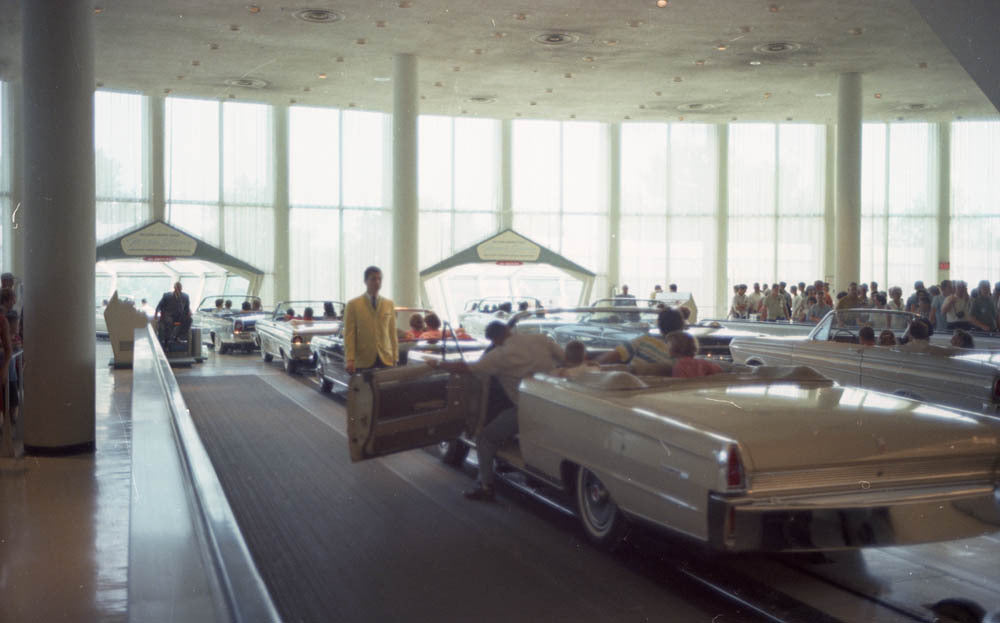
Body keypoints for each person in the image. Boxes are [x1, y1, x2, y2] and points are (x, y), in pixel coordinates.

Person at [427, 321, 564, 501]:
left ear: (494, 340)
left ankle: (485, 486)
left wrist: (438, 364)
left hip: (527, 411)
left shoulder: (499, 355)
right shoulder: (541, 339)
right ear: (508, 330)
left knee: (485, 438)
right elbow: (566, 359)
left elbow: (468, 368)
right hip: (557, 405)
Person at [343, 265, 397, 374]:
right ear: (365, 281)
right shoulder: (353, 304)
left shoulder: (389, 304)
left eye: (379, 279)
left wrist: (395, 357)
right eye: (373, 279)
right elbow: (349, 334)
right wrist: (350, 359)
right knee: (365, 390)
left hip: (386, 359)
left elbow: (392, 333)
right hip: (363, 360)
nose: (377, 282)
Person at [597, 308, 684, 366]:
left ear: (659, 325)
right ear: (681, 326)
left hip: (634, 386)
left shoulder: (645, 341)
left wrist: (593, 364)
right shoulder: (686, 352)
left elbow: (611, 357)